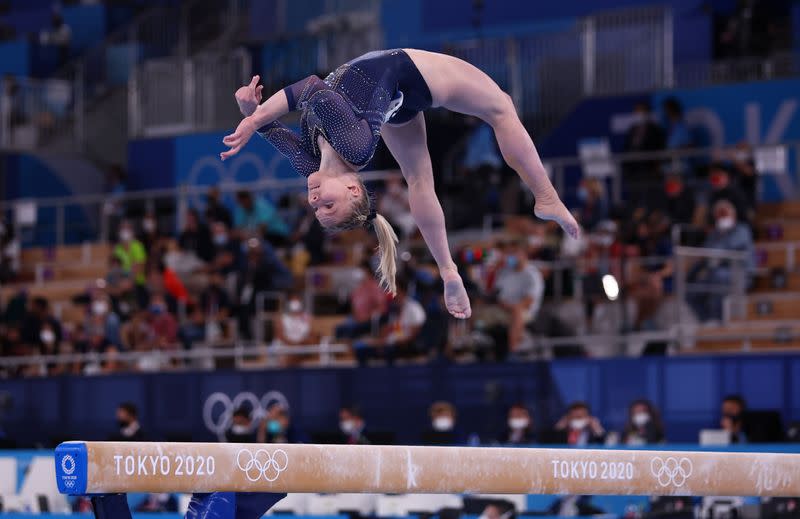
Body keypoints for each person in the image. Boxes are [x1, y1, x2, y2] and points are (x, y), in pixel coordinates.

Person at [222, 49, 580, 320]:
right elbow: (311, 87)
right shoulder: (353, 148)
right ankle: (545, 196)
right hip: (411, 73)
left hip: (392, 101)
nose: (314, 201)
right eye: (327, 206)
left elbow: (270, 129)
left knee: (420, 179)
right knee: (501, 107)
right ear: (353, 189)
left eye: (316, 209)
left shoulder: (309, 163)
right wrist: (255, 119)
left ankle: (448, 270)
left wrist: (250, 111)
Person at [688, 200, 755, 322]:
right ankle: (707, 320)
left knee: (718, 278)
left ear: (733, 215)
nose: (722, 217)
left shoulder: (742, 230)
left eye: (724, 214)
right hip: (716, 274)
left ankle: (718, 320)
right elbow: (705, 253)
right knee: (692, 291)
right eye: (719, 215)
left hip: (740, 274)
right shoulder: (714, 234)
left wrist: (718, 242)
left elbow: (726, 248)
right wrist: (689, 276)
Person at [352, 281, 426, 366]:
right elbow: (395, 331)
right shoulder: (395, 310)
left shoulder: (414, 308)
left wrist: (391, 342)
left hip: (405, 345)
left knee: (388, 351)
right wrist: (380, 340)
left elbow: (414, 333)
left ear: (402, 291)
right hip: (392, 342)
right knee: (361, 350)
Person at [492, 242, 545, 352]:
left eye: (514, 254)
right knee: (473, 306)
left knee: (517, 311)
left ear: (523, 255)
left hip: (524, 310)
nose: (510, 257)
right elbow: (496, 294)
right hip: (503, 307)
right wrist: (504, 305)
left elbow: (529, 301)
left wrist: (512, 307)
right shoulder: (504, 272)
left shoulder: (532, 274)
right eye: (509, 254)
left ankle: (513, 348)